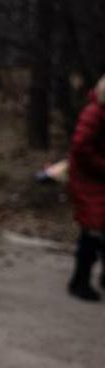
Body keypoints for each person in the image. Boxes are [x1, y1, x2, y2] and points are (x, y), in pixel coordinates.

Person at [67, 74, 105, 302]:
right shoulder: (93, 114)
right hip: (88, 180)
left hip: (97, 178)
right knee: (92, 229)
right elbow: (81, 147)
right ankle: (79, 281)